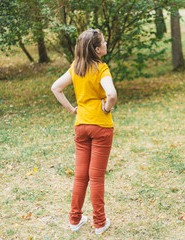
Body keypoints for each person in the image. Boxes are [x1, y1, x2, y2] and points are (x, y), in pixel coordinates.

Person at [51, 28, 117, 235]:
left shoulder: (76, 68)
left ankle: (75, 220)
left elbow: (56, 88)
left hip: (81, 126)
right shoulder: (101, 68)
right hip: (100, 126)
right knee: (96, 178)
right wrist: (106, 107)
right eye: (104, 42)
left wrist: (72, 109)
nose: (106, 44)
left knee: (80, 177)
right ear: (97, 49)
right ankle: (99, 223)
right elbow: (112, 94)